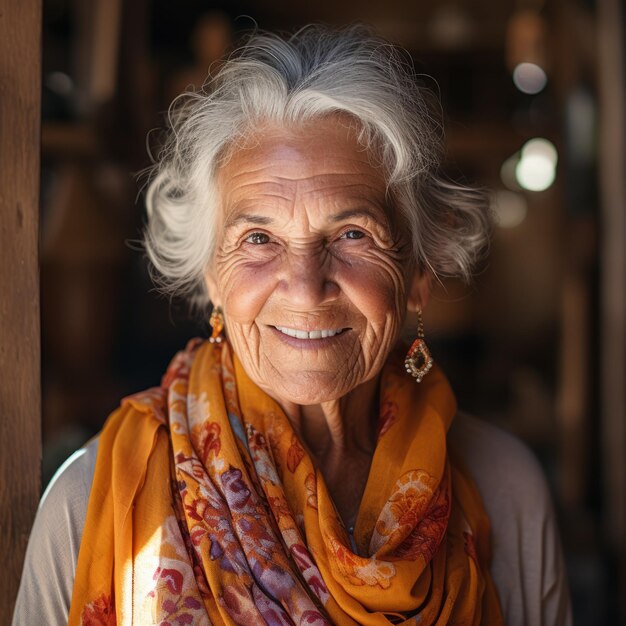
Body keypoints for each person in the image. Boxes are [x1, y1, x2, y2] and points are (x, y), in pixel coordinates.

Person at [13, 25, 572, 625]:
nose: (306, 286)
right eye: (259, 239)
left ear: (416, 274)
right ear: (211, 278)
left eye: (352, 235)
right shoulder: (94, 500)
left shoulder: (504, 490)